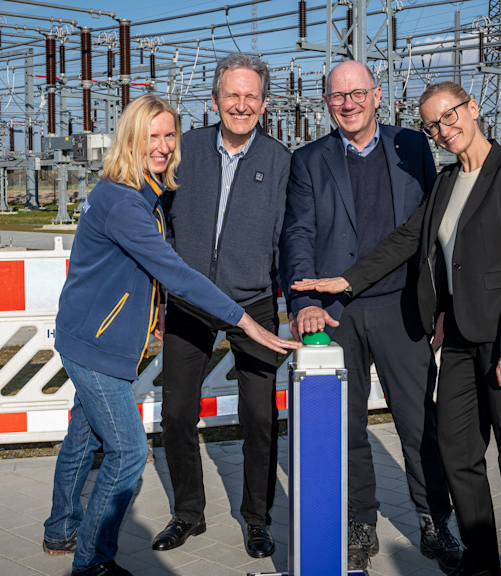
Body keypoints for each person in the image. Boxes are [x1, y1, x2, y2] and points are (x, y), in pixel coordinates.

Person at [291, 81, 501, 576]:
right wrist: (343, 282)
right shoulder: (447, 183)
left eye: (450, 116)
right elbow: (405, 240)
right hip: (456, 344)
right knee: (457, 455)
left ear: (473, 108)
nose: (443, 130)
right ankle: (480, 565)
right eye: (432, 125)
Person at [41, 94, 298, 576]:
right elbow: (174, 271)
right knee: (128, 451)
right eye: (150, 137)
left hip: (89, 336)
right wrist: (243, 322)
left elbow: (137, 273)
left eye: (168, 136)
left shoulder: (139, 192)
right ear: (130, 140)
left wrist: (155, 307)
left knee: (83, 435)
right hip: (97, 345)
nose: (161, 146)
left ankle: (60, 529)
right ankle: (91, 562)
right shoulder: (124, 201)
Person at [279, 60, 461, 573]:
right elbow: (298, 234)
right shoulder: (309, 159)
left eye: (357, 93)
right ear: (326, 102)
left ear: (377, 96)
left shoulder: (411, 146)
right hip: (337, 316)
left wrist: (442, 303)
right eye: (338, 96)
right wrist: (303, 302)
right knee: (346, 426)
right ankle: (361, 521)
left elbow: (435, 230)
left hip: (404, 307)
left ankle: (433, 519)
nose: (348, 104)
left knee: (418, 423)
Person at [153, 53, 291, 558]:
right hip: (190, 300)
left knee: (259, 415)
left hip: (253, 301)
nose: (241, 104)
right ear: (214, 101)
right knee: (176, 412)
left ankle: (257, 518)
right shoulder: (183, 151)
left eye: (251, 96)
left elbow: (290, 237)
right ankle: (188, 514)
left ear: (264, 103)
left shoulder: (280, 161)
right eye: (232, 95)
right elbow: (154, 217)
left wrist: (292, 297)